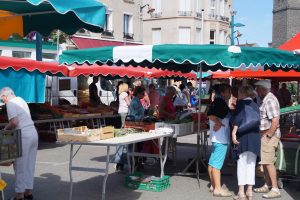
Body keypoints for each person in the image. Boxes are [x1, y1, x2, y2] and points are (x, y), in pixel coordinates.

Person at [0, 87, 38, 200]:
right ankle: (28, 191)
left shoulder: (11, 103)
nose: (3, 102)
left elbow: (14, 122)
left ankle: (19, 194)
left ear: (5, 96)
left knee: (20, 165)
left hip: (23, 135)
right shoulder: (21, 100)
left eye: (2, 100)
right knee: (30, 164)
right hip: (33, 133)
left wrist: (4, 130)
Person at [231, 85, 261, 200]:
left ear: (243, 93)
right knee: (251, 165)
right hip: (254, 137)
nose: (238, 95)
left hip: (243, 137)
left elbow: (237, 119)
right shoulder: (255, 105)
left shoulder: (241, 104)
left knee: (241, 164)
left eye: (239, 92)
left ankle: (241, 192)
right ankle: (250, 191)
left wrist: (233, 133)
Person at [254, 80, 281, 199]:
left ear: (264, 89)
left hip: (269, 136)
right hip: (265, 135)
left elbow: (275, 121)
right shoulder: (266, 99)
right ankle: (267, 184)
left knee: (269, 163)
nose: (256, 91)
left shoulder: (269, 100)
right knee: (265, 162)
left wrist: (268, 135)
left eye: (258, 89)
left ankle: (275, 189)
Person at [207, 83, 232, 197]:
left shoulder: (217, 101)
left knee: (212, 163)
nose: (230, 94)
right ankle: (217, 188)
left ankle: (213, 185)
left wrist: (218, 122)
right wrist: (218, 123)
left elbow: (211, 114)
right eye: (229, 92)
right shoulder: (220, 102)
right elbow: (210, 115)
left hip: (216, 137)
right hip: (220, 138)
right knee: (216, 165)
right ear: (223, 92)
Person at [115, 83, 131, 171]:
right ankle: (121, 162)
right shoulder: (124, 94)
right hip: (124, 112)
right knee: (123, 127)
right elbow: (129, 103)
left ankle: (119, 163)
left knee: (122, 127)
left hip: (120, 111)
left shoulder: (120, 94)